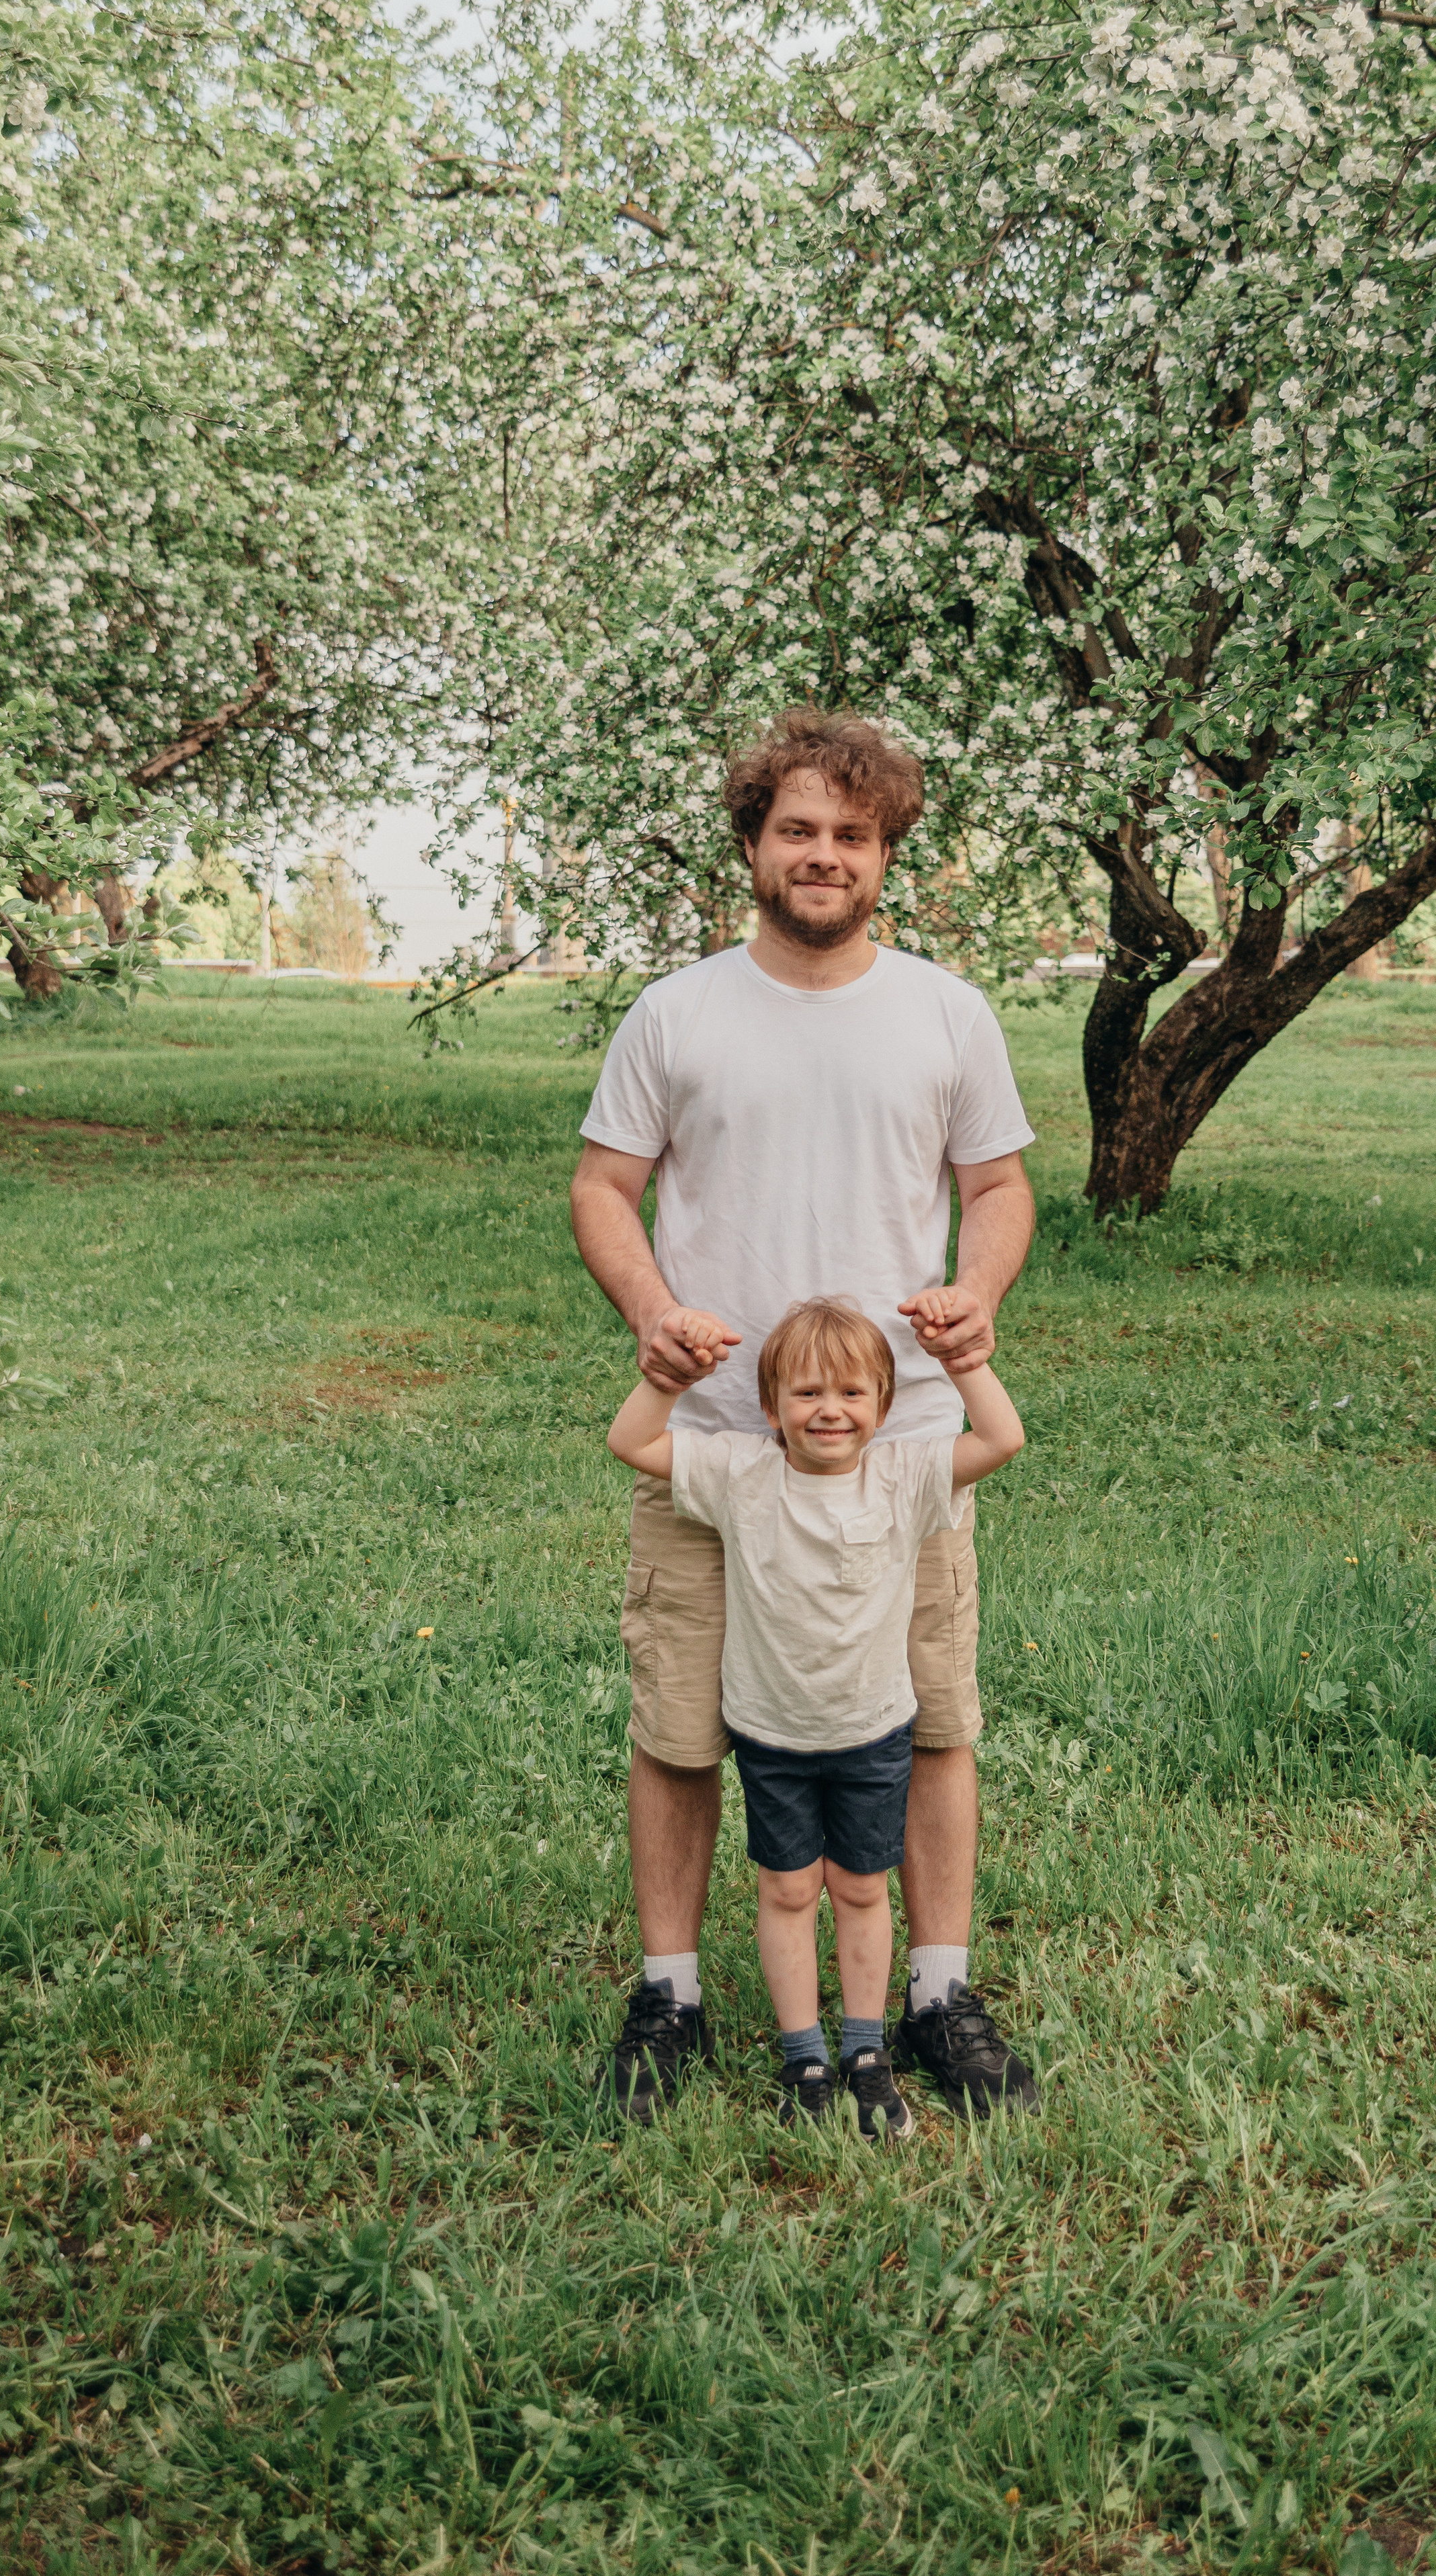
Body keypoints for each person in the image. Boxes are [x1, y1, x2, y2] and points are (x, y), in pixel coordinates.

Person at [571, 705, 1040, 2124]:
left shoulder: (946, 1013)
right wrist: (654, 1313)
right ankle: (669, 1993)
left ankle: (937, 1994)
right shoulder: (677, 1012)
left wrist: (977, 1296)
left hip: (900, 1449)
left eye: (851, 832)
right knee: (680, 1724)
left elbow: (998, 1188)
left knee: (930, 1718)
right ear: (753, 845)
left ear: (885, 852)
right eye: (796, 829)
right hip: (716, 1439)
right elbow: (603, 1185)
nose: (822, 853)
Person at [607, 1292, 1024, 2130]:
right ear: (770, 1408)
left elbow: (1002, 1438)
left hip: (873, 1735)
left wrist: (962, 1360)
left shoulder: (904, 1478)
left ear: (883, 1408)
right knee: (789, 1890)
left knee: (863, 1891)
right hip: (772, 1737)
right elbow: (631, 1442)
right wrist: (666, 1377)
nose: (829, 1410)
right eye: (805, 1393)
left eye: (851, 1393)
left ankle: (866, 2054)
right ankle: (804, 2059)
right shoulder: (739, 1473)